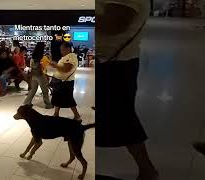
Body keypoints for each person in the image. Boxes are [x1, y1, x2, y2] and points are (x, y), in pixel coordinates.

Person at [96, 0, 159, 180]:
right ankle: (147, 170)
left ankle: (148, 171)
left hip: (114, 65)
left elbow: (113, 24)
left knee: (122, 119)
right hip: (111, 63)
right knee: (121, 118)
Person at [49, 42, 81, 121]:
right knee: (57, 98)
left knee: (68, 99)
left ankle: (77, 116)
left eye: (63, 49)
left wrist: (55, 65)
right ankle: (56, 114)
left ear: (69, 49)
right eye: (61, 50)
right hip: (60, 82)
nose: (61, 51)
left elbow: (67, 69)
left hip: (65, 83)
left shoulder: (71, 56)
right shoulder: (66, 57)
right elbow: (62, 68)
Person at [23, 42, 53, 109]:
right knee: (45, 90)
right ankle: (48, 104)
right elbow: (45, 66)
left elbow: (32, 67)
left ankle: (27, 102)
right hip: (40, 75)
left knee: (33, 89)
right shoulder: (41, 57)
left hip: (34, 75)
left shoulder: (33, 57)